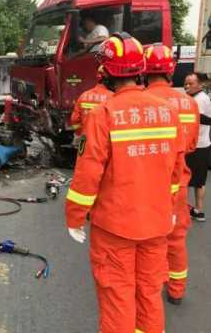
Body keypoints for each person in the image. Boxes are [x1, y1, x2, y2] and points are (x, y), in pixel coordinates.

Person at [65, 33, 184, 333]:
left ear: (105, 71)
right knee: (149, 292)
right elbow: (176, 170)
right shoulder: (168, 113)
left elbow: (88, 174)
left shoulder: (105, 114)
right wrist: (169, 207)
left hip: (115, 226)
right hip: (156, 224)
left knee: (117, 294)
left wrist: (75, 217)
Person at [144, 44, 200, 305]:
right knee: (176, 239)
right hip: (177, 181)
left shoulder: (142, 103)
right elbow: (190, 146)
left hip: (147, 185)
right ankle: (177, 290)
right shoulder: (189, 103)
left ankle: (152, 288)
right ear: (171, 69)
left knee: (150, 241)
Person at [184, 73, 211, 222]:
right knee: (189, 179)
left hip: (199, 145)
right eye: (185, 83)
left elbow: (198, 118)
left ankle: (199, 210)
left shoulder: (200, 99)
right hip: (192, 144)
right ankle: (188, 208)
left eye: (191, 83)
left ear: (199, 84)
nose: (187, 86)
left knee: (197, 180)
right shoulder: (192, 98)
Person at [70, 67, 113, 136]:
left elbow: (74, 120)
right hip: (104, 141)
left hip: (85, 140)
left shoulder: (84, 95)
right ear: (108, 80)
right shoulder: (112, 97)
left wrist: (81, 132)